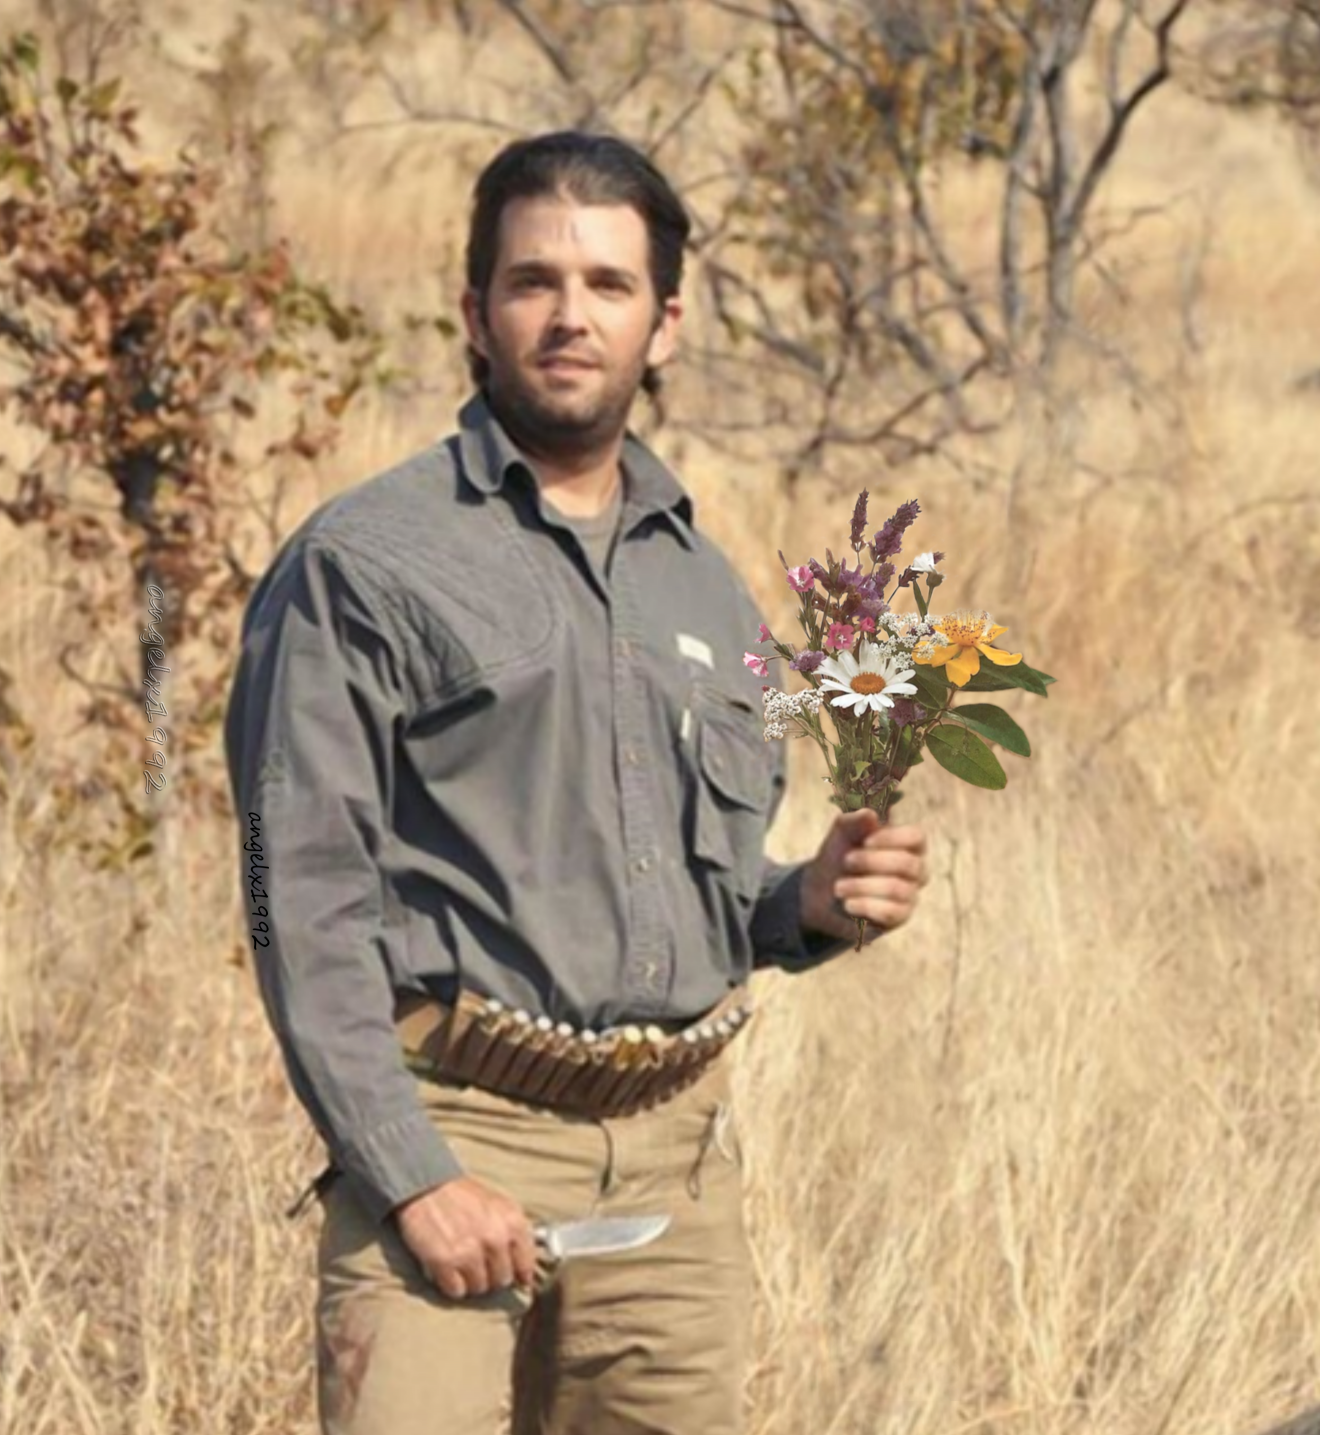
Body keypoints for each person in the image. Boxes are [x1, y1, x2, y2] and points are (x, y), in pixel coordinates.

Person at [223, 130, 929, 1435]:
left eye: (607, 285)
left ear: (665, 323)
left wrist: (803, 907)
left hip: (673, 1167)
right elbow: (300, 902)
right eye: (533, 280)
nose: (569, 315)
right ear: (474, 314)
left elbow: (681, 888)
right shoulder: (366, 562)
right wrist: (412, 1175)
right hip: (451, 1139)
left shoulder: (701, 582)